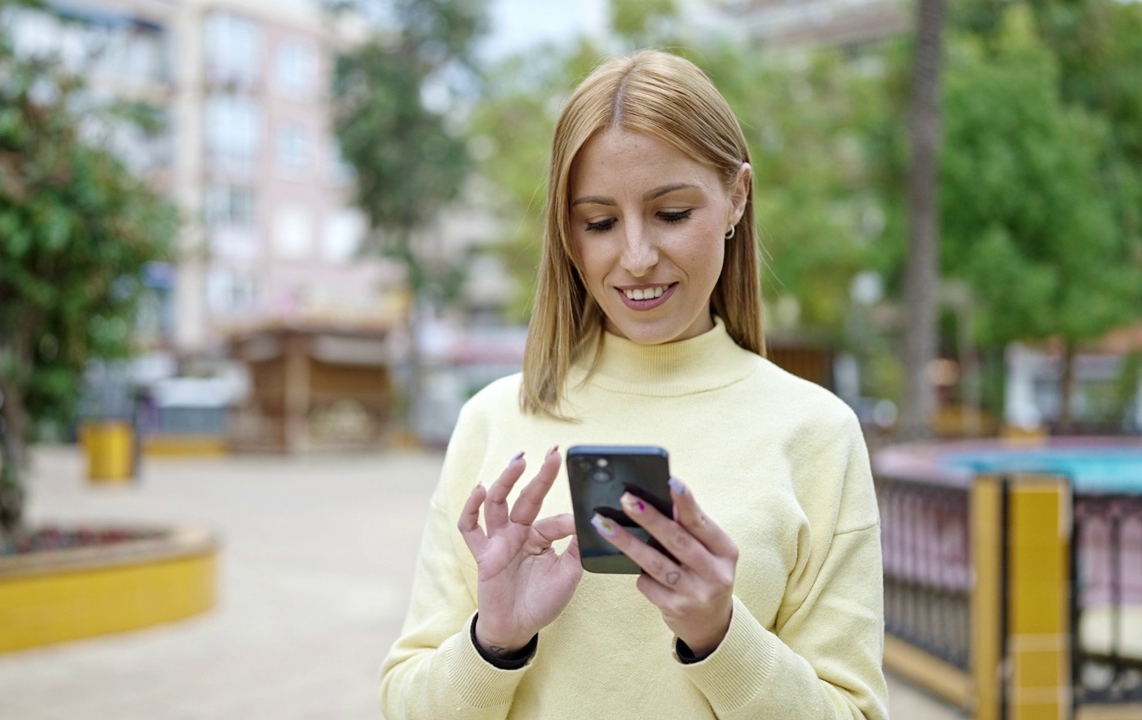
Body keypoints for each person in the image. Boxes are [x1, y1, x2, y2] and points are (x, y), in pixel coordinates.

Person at [380, 49, 888, 719]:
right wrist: (494, 641)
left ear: (736, 196)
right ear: (567, 231)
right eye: (599, 223)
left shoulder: (817, 432)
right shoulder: (494, 420)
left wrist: (721, 637)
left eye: (672, 213)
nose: (637, 257)